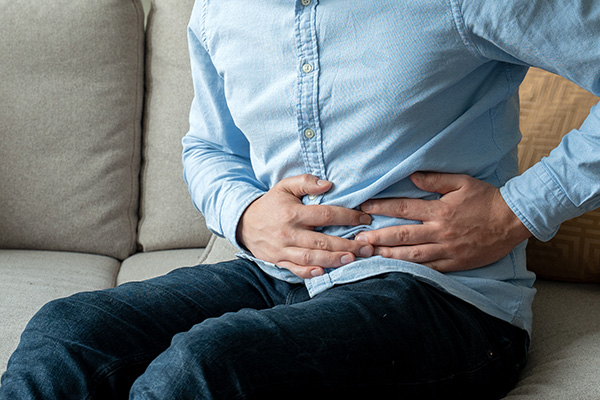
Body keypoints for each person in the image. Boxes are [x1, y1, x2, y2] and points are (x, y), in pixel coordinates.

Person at [1, 0, 599, 399]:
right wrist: (246, 213)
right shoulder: (221, 9)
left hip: (446, 299)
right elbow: (209, 148)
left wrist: (518, 210)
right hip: (276, 273)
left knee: (208, 366)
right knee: (68, 329)